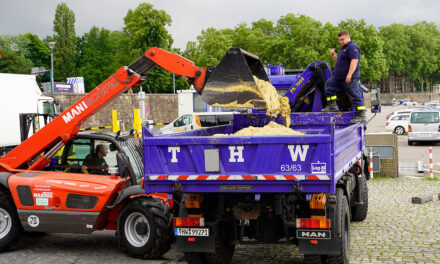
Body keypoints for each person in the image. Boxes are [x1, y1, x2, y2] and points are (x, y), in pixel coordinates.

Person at [322, 30, 366, 123]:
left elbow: (354, 61)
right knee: (329, 86)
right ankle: (333, 107)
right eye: (339, 40)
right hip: (339, 77)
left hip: (350, 78)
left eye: (342, 39)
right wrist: (333, 55)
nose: (341, 42)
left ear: (348, 37)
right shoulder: (343, 48)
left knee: (355, 95)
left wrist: (349, 75)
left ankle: (362, 116)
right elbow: (339, 61)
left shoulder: (352, 47)